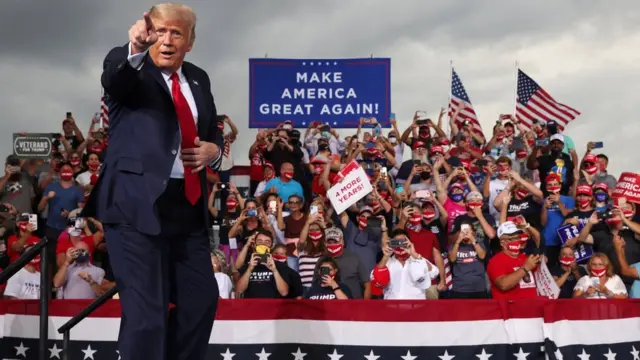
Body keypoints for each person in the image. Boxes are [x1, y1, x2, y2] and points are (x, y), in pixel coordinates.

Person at [83, 4, 224, 360]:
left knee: (200, 303)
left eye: (176, 33)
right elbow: (115, 78)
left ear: (190, 42)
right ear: (147, 33)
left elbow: (212, 133)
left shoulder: (199, 78)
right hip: (134, 208)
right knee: (147, 318)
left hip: (187, 209)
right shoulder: (129, 67)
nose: (166, 40)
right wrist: (133, 48)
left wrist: (214, 151)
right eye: (159, 31)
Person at [487, 221, 541, 299]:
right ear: (502, 242)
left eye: (518, 237)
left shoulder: (525, 258)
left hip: (531, 308)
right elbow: (503, 285)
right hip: (510, 309)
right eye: (512, 238)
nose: (516, 241)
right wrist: (525, 268)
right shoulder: (495, 261)